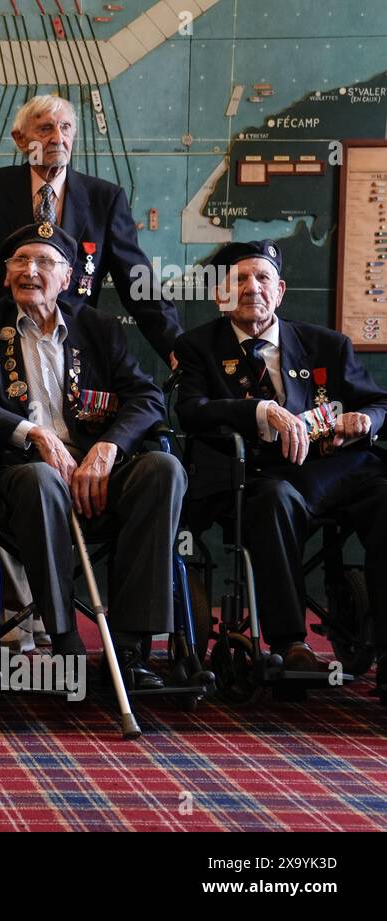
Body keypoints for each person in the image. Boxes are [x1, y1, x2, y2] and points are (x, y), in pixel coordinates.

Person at [0, 222, 186, 689]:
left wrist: (108, 448)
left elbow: (147, 398)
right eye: (19, 261)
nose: (30, 271)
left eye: (44, 262)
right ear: (5, 274)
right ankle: (65, 639)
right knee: (41, 479)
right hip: (22, 477)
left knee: (163, 468)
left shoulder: (98, 327)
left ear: (68, 277)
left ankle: (132, 649)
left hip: (98, 476)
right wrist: (33, 433)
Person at [175, 239, 387, 691]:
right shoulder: (198, 348)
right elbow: (191, 411)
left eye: (263, 278)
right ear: (220, 294)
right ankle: (292, 643)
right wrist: (259, 411)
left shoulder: (326, 345)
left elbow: (376, 401)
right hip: (254, 474)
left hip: (335, 470)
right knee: (274, 499)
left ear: (281, 289)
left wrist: (363, 420)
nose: (253, 287)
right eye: (240, 279)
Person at [0, 95, 182, 365]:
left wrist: (174, 345)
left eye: (66, 127)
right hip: (0, 353)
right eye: (45, 129)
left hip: (74, 355)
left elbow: (137, 282)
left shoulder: (105, 199)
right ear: (20, 140)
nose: (58, 138)